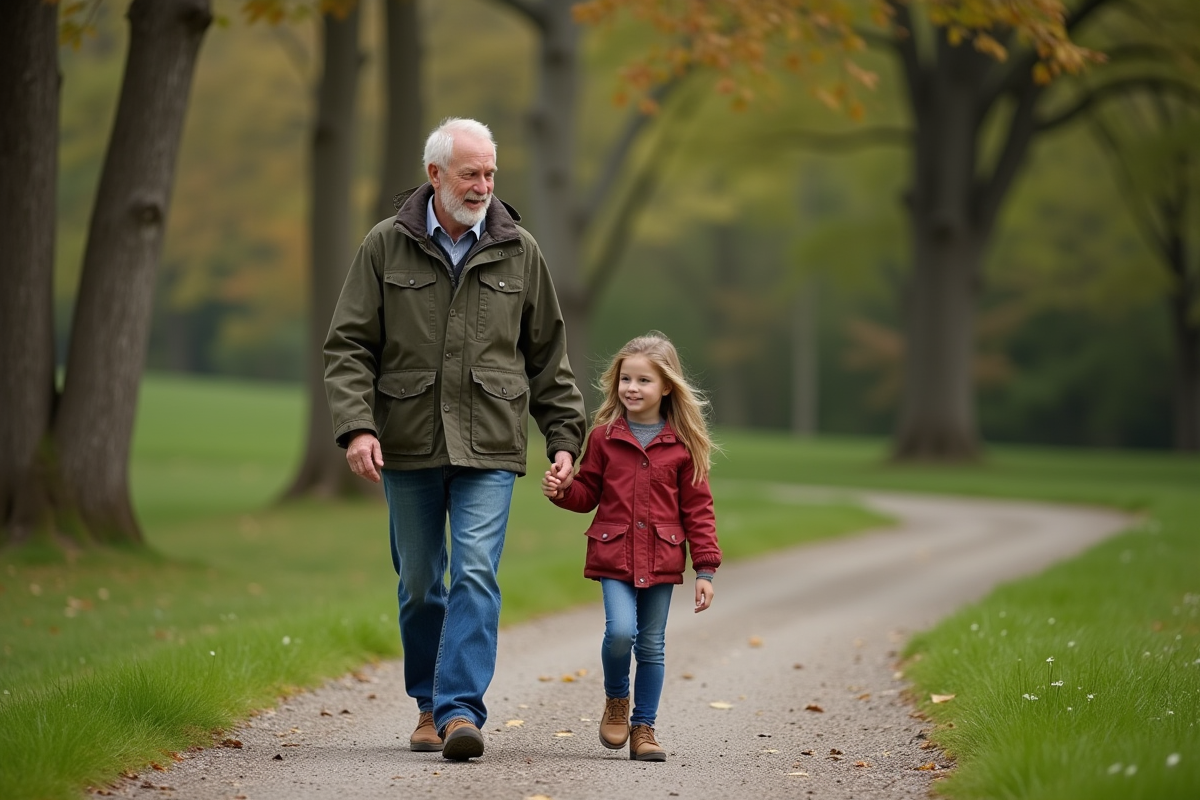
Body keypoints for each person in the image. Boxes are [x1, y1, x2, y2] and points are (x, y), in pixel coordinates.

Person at [324, 117, 587, 762]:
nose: (483, 186)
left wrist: (564, 437)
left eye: (490, 173)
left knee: (475, 571)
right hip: (408, 442)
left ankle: (460, 710)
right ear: (435, 174)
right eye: (471, 173)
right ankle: (427, 704)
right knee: (420, 582)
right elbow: (349, 345)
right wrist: (357, 427)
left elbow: (548, 357)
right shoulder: (385, 245)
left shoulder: (519, 250)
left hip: (490, 444)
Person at [541, 331, 721, 762]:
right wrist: (563, 491)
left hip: (662, 557)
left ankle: (644, 728)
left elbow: (699, 510)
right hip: (614, 554)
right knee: (621, 631)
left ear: (666, 387)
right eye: (626, 379)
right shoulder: (603, 437)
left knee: (652, 645)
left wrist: (706, 570)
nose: (632, 388)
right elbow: (588, 493)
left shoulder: (683, 445)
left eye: (643, 380)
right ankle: (617, 698)